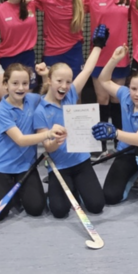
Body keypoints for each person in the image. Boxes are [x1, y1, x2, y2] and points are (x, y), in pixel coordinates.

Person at [33, 25, 109, 218]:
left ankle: (77, 187)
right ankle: (66, 188)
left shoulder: (71, 94)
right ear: (49, 80)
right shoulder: (40, 110)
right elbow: (48, 147)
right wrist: (56, 139)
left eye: (68, 81)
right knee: (59, 211)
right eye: (59, 81)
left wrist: (98, 45)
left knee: (97, 206)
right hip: (59, 166)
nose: (65, 86)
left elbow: (88, 69)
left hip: (81, 162)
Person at [92, 45, 138, 217]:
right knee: (111, 196)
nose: (137, 94)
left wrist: (115, 133)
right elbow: (104, 80)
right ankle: (136, 174)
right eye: (133, 89)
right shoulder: (125, 95)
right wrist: (114, 59)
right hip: (126, 151)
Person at [0, 63, 66, 221]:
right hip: (3, 167)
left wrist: (45, 75)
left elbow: (49, 94)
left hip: (26, 166)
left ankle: (18, 191)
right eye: (15, 83)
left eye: (25, 83)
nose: (20, 88)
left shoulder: (32, 100)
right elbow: (21, 140)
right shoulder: (1, 110)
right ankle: (12, 190)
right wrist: (48, 134)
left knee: (36, 208)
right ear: (5, 84)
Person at [87, 0, 135, 160]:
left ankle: (118, 143)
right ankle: (99, 144)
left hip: (120, 56)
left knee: (117, 98)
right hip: (99, 56)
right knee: (102, 99)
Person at [0, 0, 40, 90]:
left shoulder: (32, 4)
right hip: (7, 59)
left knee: (28, 94)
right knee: (7, 94)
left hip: (28, 57)